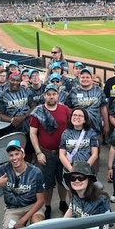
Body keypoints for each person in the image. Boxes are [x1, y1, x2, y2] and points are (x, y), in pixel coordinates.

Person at [0, 140, 45, 229]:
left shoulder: (35, 172)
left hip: (32, 205)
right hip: (13, 209)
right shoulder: (4, 169)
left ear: (23, 154)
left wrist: (22, 220)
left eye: (17, 154)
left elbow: (41, 200)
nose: (14, 158)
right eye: (11, 155)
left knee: (38, 226)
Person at [29, 84, 72, 219]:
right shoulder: (38, 112)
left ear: (58, 95)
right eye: (49, 94)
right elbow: (32, 134)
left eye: (54, 94)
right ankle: (47, 205)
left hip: (63, 153)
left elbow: (72, 128)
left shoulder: (65, 109)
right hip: (46, 153)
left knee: (62, 181)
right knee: (47, 183)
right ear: (44, 96)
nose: (51, 96)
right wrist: (38, 153)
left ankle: (62, 202)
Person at [59, 108, 99, 181]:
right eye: (74, 115)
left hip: (87, 170)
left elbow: (95, 154)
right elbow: (61, 155)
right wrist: (72, 170)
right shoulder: (66, 133)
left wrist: (84, 169)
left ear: (85, 120)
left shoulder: (91, 133)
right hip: (70, 169)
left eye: (80, 116)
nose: (77, 117)